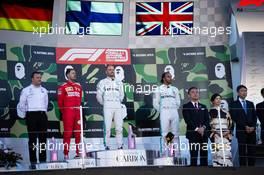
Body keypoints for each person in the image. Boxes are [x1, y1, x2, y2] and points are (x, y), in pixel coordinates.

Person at [17, 71, 48, 168]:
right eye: (37, 77)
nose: (40, 79)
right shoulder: (26, 90)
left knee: (43, 139)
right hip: (31, 115)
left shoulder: (44, 90)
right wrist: (27, 113)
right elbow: (21, 104)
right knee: (32, 140)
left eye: (40, 77)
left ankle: (43, 160)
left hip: (42, 115)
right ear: (32, 79)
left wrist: (43, 112)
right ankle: (33, 161)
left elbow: (46, 104)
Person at [96, 65, 124, 150]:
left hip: (117, 105)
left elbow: (122, 95)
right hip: (107, 105)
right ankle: (106, 145)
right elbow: (99, 96)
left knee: (119, 127)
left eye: (113, 70)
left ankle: (120, 145)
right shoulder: (102, 82)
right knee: (107, 128)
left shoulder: (119, 82)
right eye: (109, 70)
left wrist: (118, 102)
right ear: (106, 72)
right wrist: (105, 104)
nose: (111, 71)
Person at [153, 72, 181, 156]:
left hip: (174, 112)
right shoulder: (158, 89)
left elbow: (178, 102)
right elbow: (155, 103)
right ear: (164, 78)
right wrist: (162, 110)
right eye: (168, 77)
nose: (170, 78)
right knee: (165, 134)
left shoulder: (175, 89)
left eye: (171, 77)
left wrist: (174, 108)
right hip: (164, 112)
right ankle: (166, 153)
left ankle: (176, 153)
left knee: (175, 133)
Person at [58, 68, 82, 159]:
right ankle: (66, 154)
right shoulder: (63, 87)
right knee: (67, 134)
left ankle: (78, 153)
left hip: (77, 113)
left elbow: (79, 100)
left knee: (78, 133)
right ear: (67, 75)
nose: (74, 75)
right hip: (68, 113)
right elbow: (60, 103)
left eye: (75, 73)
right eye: (73, 73)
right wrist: (66, 112)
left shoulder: (79, 87)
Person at [230, 85, 257, 166]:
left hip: (252, 131)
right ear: (238, 92)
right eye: (242, 90)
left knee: (252, 151)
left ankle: (252, 169)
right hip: (241, 131)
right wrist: (245, 126)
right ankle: (243, 170)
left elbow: (254, 116)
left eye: (245, 90)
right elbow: (235, 117)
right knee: (242, 152)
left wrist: (253, 126)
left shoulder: (250, 103)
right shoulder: (233, 104)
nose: (244, 92)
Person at [182, 87, 210, 166]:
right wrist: (197, 129)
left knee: (204, 155)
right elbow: (188, 120)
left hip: (203, 134)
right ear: (189, 95)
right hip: (193, 134)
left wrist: (203, 128)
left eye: (197, 92)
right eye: (193, 92)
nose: (195, 94)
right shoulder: (186, 106)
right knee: (193, 156)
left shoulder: (203, 106)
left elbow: (207, 120)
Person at [209, 93, 233, 167]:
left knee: (226, 152)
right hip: (216, 135)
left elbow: (231, 123)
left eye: (220, 98)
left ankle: (227, 167)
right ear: (212, 101)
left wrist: (228, 131)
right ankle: (217, 166)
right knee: (217, 152)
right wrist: (214, 133)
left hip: (226, 135)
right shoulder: (210, 112)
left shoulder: (226, 112)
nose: (219, 100)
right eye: (216, 98)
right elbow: (208, 124)